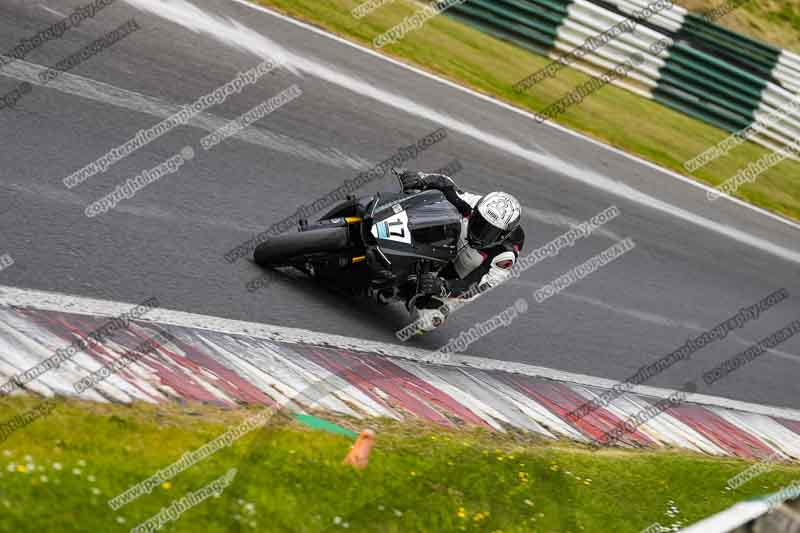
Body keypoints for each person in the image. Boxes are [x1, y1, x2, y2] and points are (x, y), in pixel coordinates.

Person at [397, 170, 525, 333]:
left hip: (458, 276)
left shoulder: (504, 256)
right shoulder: (478, 206)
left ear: (504, 235)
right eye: (479, 223)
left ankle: (406, 290)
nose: (479, 232)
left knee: (426, 321)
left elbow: (475, 286)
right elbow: (447, 186)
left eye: (489, 232)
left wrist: (444, 286)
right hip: (445, 248)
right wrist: (420, 179)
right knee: (435, 209)